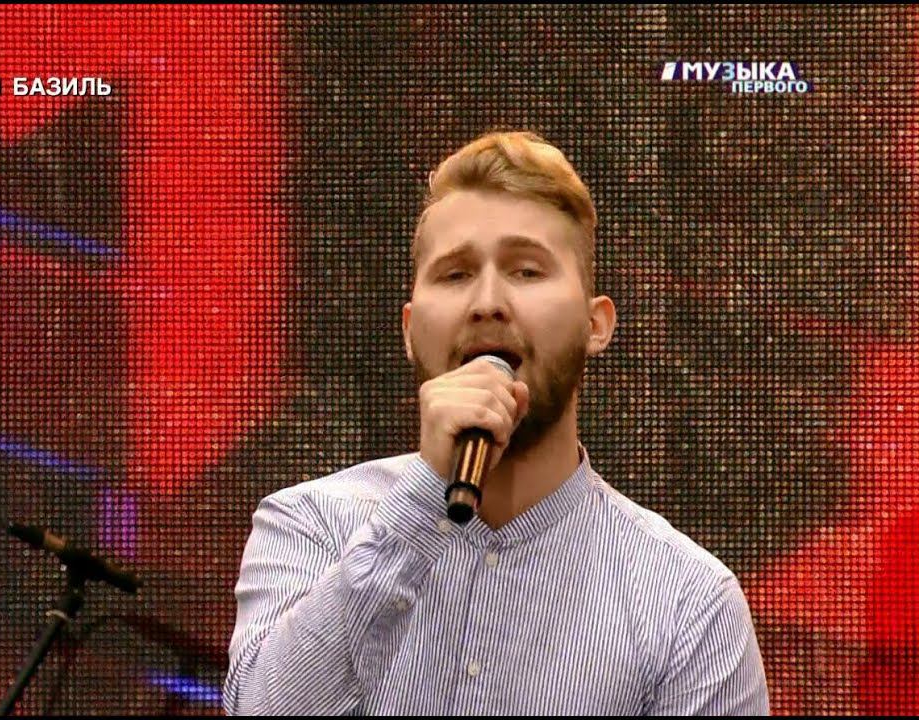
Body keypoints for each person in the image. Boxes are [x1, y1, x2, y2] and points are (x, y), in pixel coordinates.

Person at [223, 130, 769, 715]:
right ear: (409, 330)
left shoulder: (688, 602)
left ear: (595, 325)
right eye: (455, 275)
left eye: (527, 271)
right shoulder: (310, 526)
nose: (487, 301)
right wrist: (424, 496)